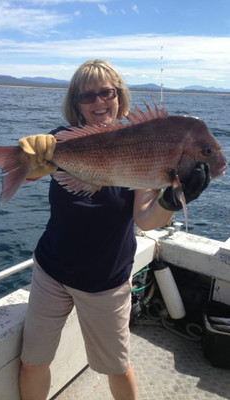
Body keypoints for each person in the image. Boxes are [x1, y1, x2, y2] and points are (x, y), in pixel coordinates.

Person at [18, 59, 210, 400]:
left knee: (116, 367)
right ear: (75, 104)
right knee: (33, 360)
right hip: (51, 271)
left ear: (119, 95)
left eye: (105, 92)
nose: (98, 102)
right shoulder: (63, 141)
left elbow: (146, 220)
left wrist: (173, 199)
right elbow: (33, 168)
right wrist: (26, 155)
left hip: (105, 282)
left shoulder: (143, 144)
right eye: (86, 96)